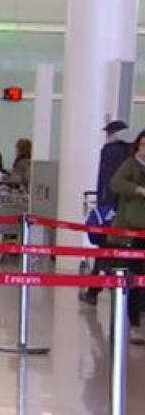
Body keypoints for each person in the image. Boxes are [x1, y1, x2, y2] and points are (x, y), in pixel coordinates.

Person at [83, 121, 132, 306]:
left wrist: (103, 204)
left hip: (111, 208)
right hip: (130, 209)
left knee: (105, 248)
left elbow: (105, 180)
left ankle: (94, 291)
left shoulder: (109, 150)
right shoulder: (132, 149)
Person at [107, 129, 145, 345]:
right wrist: (137, 189)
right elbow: (115, 184)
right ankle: (133, 323)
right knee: (133, 276)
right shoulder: (130, 165)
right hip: (130, 229)